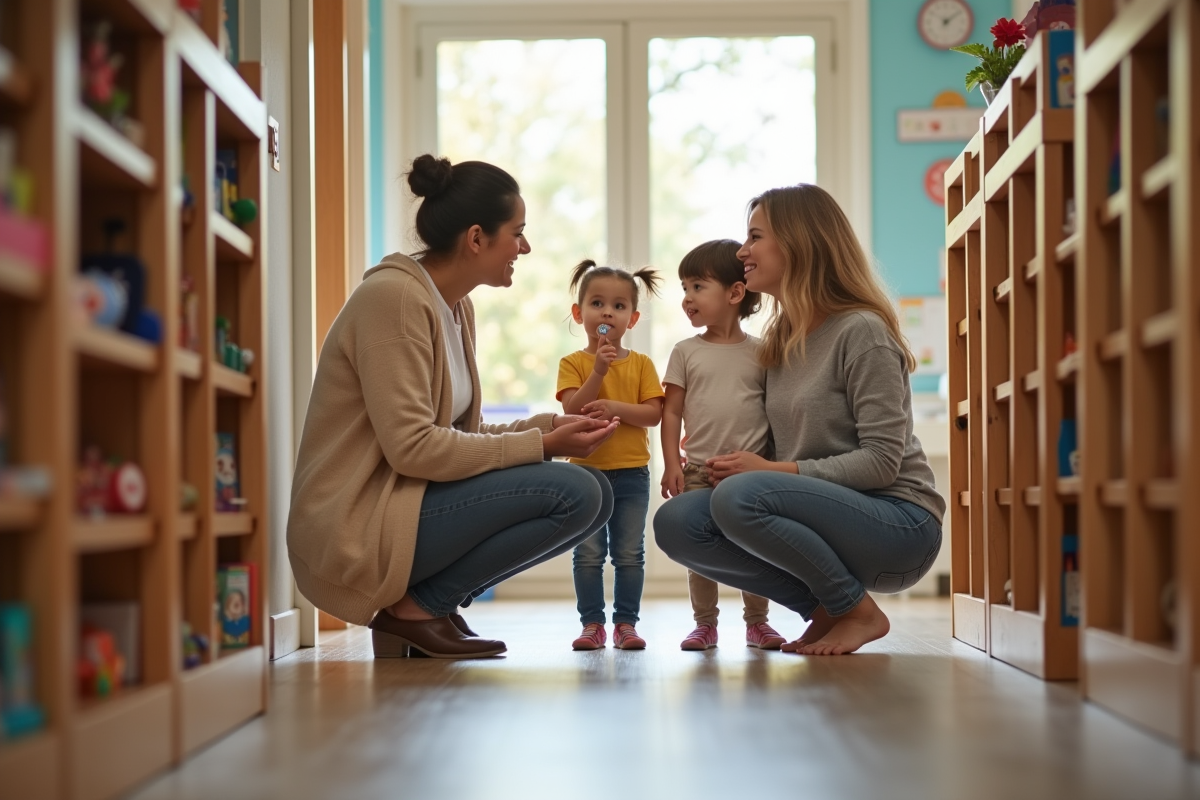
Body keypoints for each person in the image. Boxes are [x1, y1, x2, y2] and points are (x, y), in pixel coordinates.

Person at [287, 155, 619, 660]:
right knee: (575, 490)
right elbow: (414, 449)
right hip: (358, 522)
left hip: (402, 501)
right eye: (518, 232)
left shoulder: (454, 307)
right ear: (477, 238)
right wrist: (542, 445)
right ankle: (418, 610)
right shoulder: (394, 300)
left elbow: (457, 432)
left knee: (594, 490)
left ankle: (424, 608)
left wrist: (549, 426)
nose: (525, 247)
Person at [654, 184, 945, 656]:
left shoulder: (861, 331)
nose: (743, 251)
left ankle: (860, 612)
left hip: (899, 525)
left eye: (755, 237)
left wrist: (768, 473)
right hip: (819, 519)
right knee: (678, 522)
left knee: (739, 496)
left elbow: (881, 464)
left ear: (799, 242)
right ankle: (829, 607)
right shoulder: (779, 340)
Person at [660, 240, 786, 652]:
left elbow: (775, 412)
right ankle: (705, 625)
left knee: (756, 548)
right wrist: (670, 463)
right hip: (699, 470)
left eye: (698, 286)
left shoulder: (762, 352)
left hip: (750, 476)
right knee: (701, 552)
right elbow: (672, 413)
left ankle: (758, 623)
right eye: (684, 287)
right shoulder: (685, 351)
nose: (687, 298)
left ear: (734, 293)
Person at [557, 260, 664, 651]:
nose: (607, 312)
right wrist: (598, 372)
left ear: (632, 319)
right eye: (597, 303)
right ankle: (592, 625)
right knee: (586, 555)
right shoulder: (573, 363)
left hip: (632, 474)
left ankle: (625, 625)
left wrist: (614, 406)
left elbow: (653, 413)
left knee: (628, 554)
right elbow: (572, 410)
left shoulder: (642, 364)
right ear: (579, 313)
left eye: (619, 306)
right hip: (585, 476)